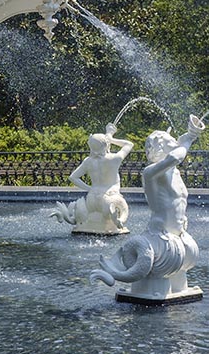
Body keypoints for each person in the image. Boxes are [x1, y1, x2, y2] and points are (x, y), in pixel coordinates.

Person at [91, 115, 205, 297]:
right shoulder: (151, 172)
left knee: (180, 282)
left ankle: (178, 285)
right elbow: (176, 156)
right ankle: (141, 282)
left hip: (179, 237)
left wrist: (189, 135)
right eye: (170, 141)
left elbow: (177, 153)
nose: (175, 142)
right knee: (158, 283)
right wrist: (190, 137)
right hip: (161, 242)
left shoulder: (174, 172)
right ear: (160, 148)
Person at [52, 125, 132, 234]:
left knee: (91, 223)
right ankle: (119, 221)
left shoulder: (88, 161)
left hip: (91, 199)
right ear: (106, 145)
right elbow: (129, 144)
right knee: (123, 208)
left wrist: (89, 188)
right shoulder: (114, 159)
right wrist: (111, 138)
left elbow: (73, 177)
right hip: (109, 198)